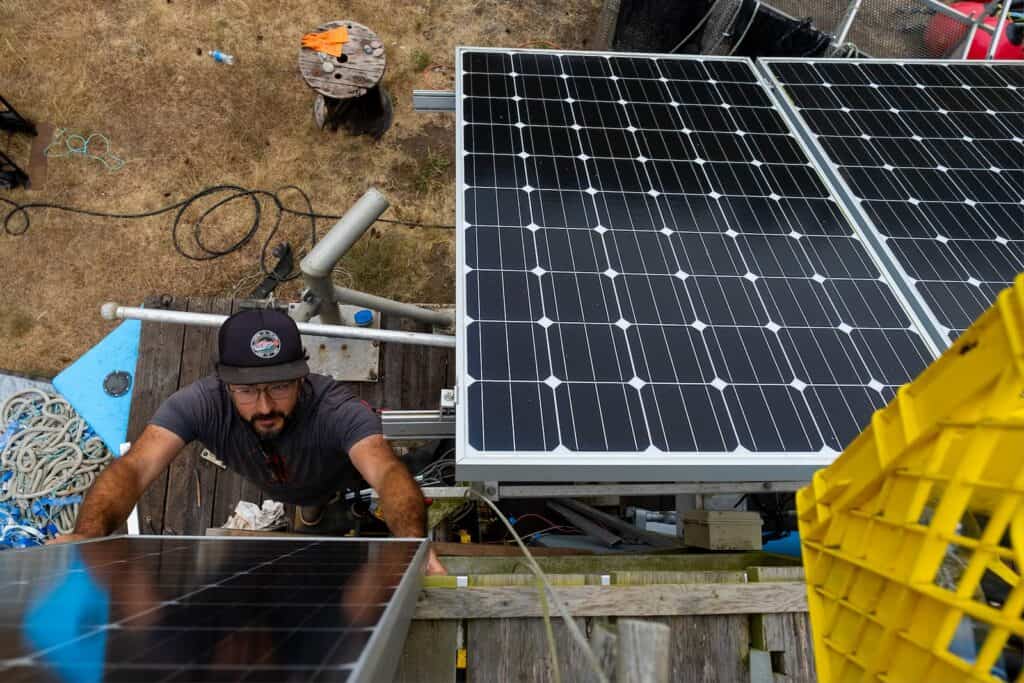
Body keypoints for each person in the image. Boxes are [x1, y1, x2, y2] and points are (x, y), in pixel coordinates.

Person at [53, 308, 446, 575]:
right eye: (245, 390)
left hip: (338, 474)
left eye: (279, 386)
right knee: (306, 503)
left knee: (336, 493)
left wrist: (412, 541)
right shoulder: (198, 404)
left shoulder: (337, 409)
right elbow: (134, 469)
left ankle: (317, 509)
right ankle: (310, 512)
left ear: (301, 378)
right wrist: (90, 535)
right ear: (224, 384)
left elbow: (386, 470)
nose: (264, 407)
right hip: (284, 483)